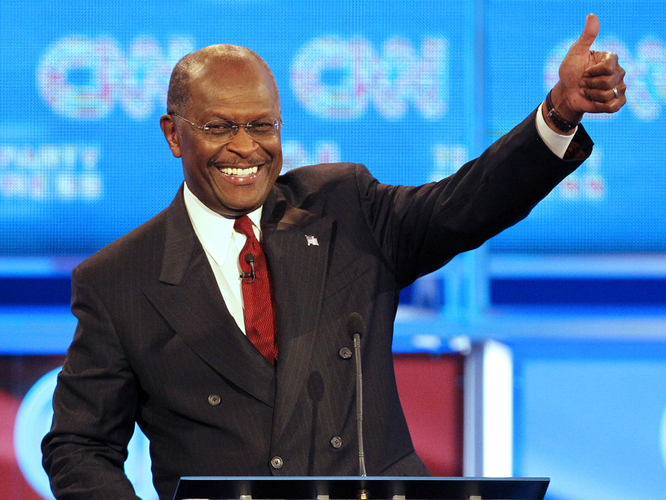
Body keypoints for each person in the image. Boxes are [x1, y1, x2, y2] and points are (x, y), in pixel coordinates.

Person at [42, 13, 625, 500]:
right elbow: (79, 446)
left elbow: (465, 205)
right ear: (174, 134)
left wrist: (558, 114)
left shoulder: (344, 209)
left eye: (262, 125)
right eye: (219, 127)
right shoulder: (120, 279)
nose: (245, 147)